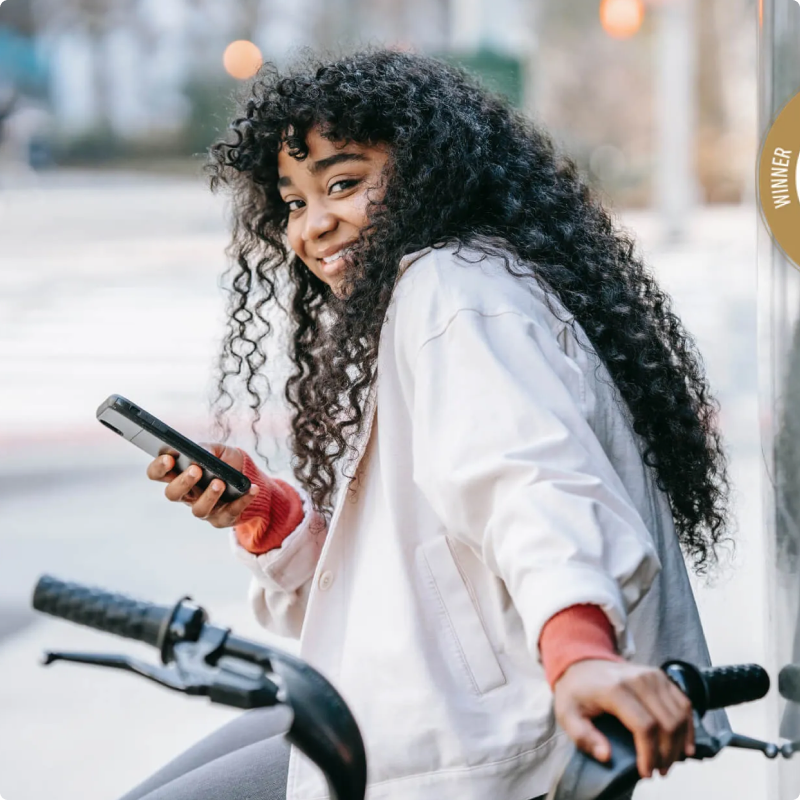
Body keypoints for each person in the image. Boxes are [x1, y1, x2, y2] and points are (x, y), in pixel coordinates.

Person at [124, 48, 730, 800]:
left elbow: (531, 481)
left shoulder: (451, 290)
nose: (314, 226)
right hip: (427, 714)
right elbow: (415, 569)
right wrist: (272, 518)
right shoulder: (454, 285)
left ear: (431, 170)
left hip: (496, 741)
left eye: (343, 184)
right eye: (293, 202)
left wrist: (581, 652)